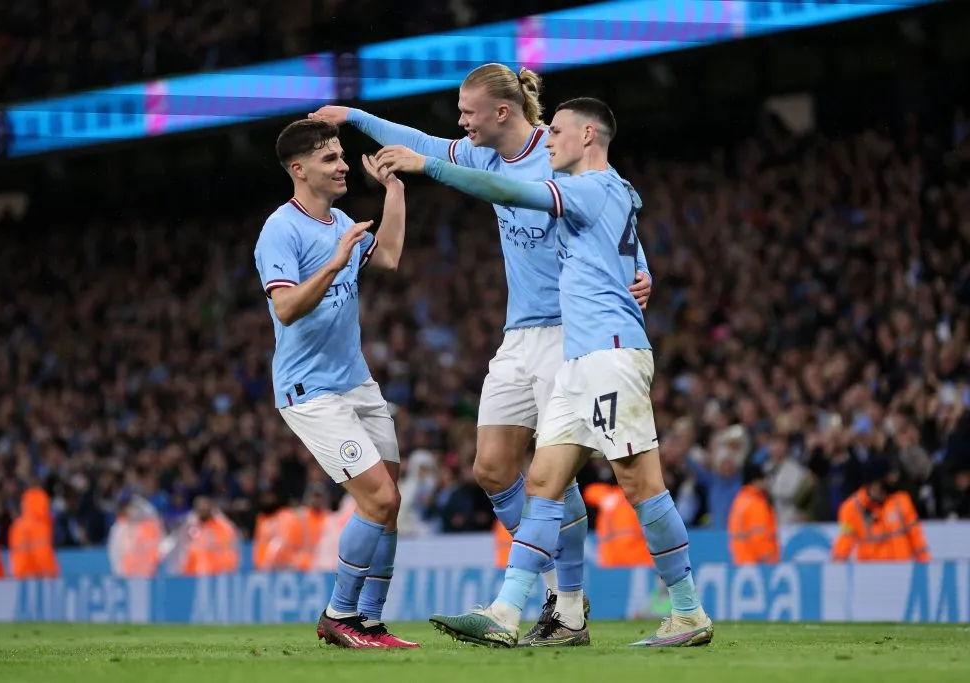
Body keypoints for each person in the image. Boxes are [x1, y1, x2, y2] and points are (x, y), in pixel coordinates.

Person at [311, 63, 653, 646]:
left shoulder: (559, 151)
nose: (460, 121)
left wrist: (641, 269)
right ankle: (557, 594)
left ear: (502, 111)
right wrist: (355, 116)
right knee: (492, 469)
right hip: (518, 334)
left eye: (468, 111)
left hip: (571, 330)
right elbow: (419, 143)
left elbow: (614, 210)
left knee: (554, 477)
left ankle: (567, 605)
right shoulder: (484, 155)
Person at [375, 96, 713, 648]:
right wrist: (641, 270)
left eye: (556, 131)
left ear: (587, 136)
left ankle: (688, 611)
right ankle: (509, 613)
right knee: (542, 482)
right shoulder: (614, 189)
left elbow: (511, 191)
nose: (547, 140)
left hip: (609, 353)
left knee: (639, 483)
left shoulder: (589, 188)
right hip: (580, 359)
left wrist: (427, 166)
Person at [255, 118, 417, 648]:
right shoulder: (281, 230)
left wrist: (394, 190)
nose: (344, 165)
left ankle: (370, 620)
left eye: (342, 155)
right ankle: (339, 615)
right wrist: (333, 263)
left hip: (356, 383)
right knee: (378, 499)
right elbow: (285, 308)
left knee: (389, 502)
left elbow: (388, 256)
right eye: (330, 158)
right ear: (299, 170)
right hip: (310, 391)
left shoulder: (339, 220)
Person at [832, 458, 930, 562]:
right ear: (876, 482)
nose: (894, 479)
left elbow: (917, 538)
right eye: (890, 477)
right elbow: (844, 543)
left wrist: (925, 565)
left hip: (902, 569)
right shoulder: (852, 508)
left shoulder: (902, 501)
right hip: (871, 570)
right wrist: (837, 567)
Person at [727, 461, 780, 565]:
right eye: (763, 478)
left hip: (741, 561)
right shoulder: (756, 503)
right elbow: (759, 535)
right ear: (756, 480)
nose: (766, 482)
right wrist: (767, 559)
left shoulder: (739, 500)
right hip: (758, 564)